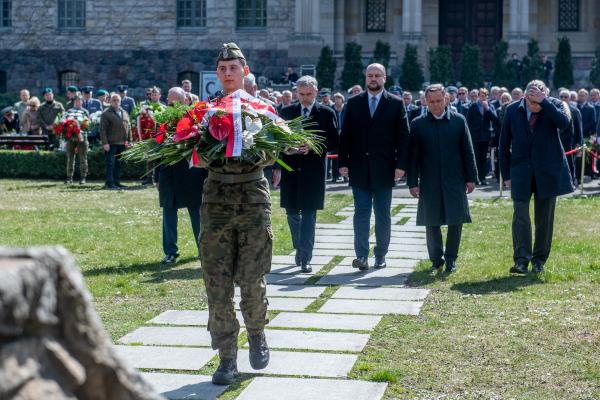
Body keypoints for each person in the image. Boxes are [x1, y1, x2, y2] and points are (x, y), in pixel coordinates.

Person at [201, 43, 273, 385]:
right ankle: (226, 358)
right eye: (223, 68)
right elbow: (192, 149)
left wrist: (256, 148)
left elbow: (275, 150)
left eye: (234, 67)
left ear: (245, 71)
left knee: (251, 278)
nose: (228, 73)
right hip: (216, 199)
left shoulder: (262, 109)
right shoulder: (205, 111)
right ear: (217, 74)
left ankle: (257, 332)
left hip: (252, 197)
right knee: (217, 283)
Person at [339, 63, 410, 271]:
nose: (373, 79)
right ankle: (361, 255)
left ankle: (380, 254)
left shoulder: (396, 103)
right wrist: (342, 162)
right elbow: (346, 136)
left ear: (385, 78)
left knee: (382, 214)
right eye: (370, 75)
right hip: (359, 167)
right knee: (361, 213)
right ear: (365, 78)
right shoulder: (354, 103)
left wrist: (401, 165)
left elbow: (404, 137)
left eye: (377, 75)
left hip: (385, 168)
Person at [499, 80, 573, 274]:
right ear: (525, 97)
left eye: (541, 100)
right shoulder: (512, 110)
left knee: (544, 218)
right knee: (520, 215)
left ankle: (539, 260)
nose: (536, 106)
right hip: (521, 171)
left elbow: (564, 124)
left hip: (547, 171)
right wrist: (506, 174)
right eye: (533, 102)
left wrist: (545, 102)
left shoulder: (556, 105)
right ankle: (521, 260)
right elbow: (503, 144)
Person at [408, 84, 477, 274]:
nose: (436, 105)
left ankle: (451, 258)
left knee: (456, 219)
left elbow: (468, 152)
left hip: (455, 178)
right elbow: (412, 157)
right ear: (425, 102)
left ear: (446, 98)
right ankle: (436, 259)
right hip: (429, 180)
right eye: (431, 102)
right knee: (431, 220)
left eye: (439, 101)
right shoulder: (418, 124)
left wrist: (471, 178)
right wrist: (413, 182)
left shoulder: (458, 120)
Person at [272, 76, 339, 273]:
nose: (305, 98)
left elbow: (334, 141)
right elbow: (275, 140)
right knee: (292, 213)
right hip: (291, 169)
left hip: (313, 171)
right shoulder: (286, 111)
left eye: (309, 94)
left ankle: (305, 257)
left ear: (316, 92)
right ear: (296, 93)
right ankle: (299, 247)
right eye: (301, 94)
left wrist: (313, 145)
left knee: (309, 215)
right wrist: (284, 152)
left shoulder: (326, 113)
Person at [155, 87, 207, 264]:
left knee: (197, 213)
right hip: (168, 174)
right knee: (169, 213)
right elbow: (156, 150)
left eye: (178, 101)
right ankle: (170, 251)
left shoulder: (196, 118)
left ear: (186, 100)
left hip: (192, 174)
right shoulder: (163, 121)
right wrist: (157, 178)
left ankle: (203, 249)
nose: (173, 105)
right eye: (170, 101)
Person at [466, 88, 498, 185]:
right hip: (475, 136)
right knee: (475, 157)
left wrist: (487, 109)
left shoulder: (490, 106)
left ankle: (482, 178)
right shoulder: (473, 106)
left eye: (484, 96)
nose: (482, 97)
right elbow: (468, 121)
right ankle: (475, 178)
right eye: (480, 95)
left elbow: (495, 119)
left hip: (485, 136)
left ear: (487, 96)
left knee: (483, 158)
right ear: (478, 96)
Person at [99, 94, 132, 189]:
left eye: (118, 100)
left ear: (120, 101)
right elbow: (102, 130)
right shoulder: (106, 113)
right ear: (110, 101)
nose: (116, 102)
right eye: (114, 100)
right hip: (111, 144)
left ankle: (117, 182)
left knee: (119, 164)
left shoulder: (125, 112)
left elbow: (128, 127)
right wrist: (105, 143)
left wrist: (129, 141)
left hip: (122, 143)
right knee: (110, 164)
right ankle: (109, 183)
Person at [558, 90, 583, 184]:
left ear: (569, 98)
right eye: (561, 97)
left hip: (570, 142)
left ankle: (571, 181)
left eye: (566, 97)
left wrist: (578, 143)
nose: (563, 98)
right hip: (557, 141)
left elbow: (578, 129)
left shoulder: (575, 111)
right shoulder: (556, 109)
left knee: (570, 163)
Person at [64, 96, 90, 185]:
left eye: (80, 100)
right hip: (70, 137)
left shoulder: (85, 112)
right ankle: (69, 177)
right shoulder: (68, 111)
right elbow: (64, 122)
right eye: (77, 100)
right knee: (70, 158)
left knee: (83, 158)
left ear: (82, 102)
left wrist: (83, 126)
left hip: (82, 137)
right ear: (74, 101)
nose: (78, 102)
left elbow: (88, 125)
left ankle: (83, 177)